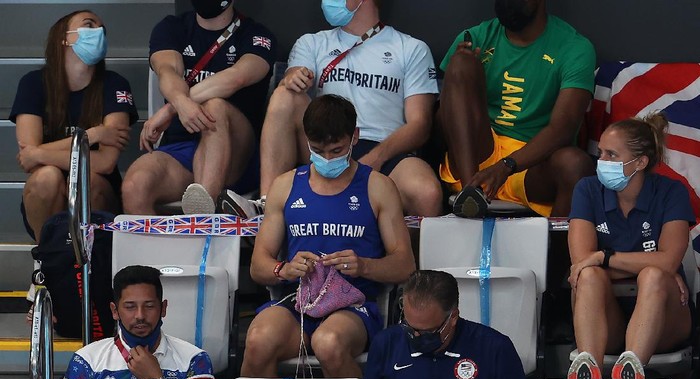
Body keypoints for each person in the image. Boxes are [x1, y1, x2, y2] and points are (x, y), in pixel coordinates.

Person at [240, 95, 415, 378]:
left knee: (328, 343)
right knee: (258, 339)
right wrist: (283, 269)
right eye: (318, 150)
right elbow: (258, 267)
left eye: (337, 150)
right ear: (307, 139)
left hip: (353, 306)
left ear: (354, 137)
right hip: (298, 302)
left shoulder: (378, 187)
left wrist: (365, 265)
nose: (328, 159)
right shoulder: (285, 186)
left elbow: (406, 265)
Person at [222, 0, 442, 219]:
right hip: (325, 143)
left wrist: (376, 158)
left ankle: (405, 254)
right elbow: (296, 74)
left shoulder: (411, 48)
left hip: (385, 147)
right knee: (284, 95)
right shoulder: (312, 43)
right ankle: (267, 207)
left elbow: (420, 124)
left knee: (427, 192)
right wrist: (292, 78)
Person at [437, 0, 595, 218]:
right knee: (461, 63)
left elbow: (563, 128)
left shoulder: (574, 47)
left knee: (575, 164)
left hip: (531, 166)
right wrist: (464, 85)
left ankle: (557, 250)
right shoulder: (475, 37)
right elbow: (442, 122)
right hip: (476, 158)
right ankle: (471, 195)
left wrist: (507, 166)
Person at [566, 113, 695, 379]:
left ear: (640, 162)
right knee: (589, 276)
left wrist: (604, 257)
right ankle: (587, 369)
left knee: (654, 276)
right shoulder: (587, 190)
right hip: (607, 318)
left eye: (611, 155)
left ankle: (632, 371)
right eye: (600, 152)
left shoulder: (672, 192)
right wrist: (648, 262)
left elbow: (668, 262)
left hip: (666, 321)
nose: (601, 161)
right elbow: (581, 264)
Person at [121, 0, 276, 215]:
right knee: (135, 186)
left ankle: (201, 219)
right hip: (182, 148)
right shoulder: (172, 27)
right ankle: (163, 248)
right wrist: (181, 102)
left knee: (215, 107)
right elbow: (167, 71)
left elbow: (236, 78)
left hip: (236, 152)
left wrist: (170, 109)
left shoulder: (256, 34)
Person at [10, 10, 138, 243]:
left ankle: (93, 262)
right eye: (89, 25)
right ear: (64, 38)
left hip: (99, 192)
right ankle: (46, 258)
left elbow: (105, 163)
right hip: (47, 195)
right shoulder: (33, 83)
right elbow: (29, 161)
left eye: (102, 30)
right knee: (46, 178)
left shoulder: (114, 84)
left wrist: (40, 152)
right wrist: (92, 135)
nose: (98, 32)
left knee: (87, 180)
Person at [360, 270, 527, 379]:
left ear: (453, 317)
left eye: (427, 331)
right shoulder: (386, 344)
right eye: (409, 327)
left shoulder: (495, 349)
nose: (416, 336)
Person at [60, 265, 216, 379]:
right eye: (130, 307)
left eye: (149, 306)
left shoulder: (194, 360)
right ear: (115, 311)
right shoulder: (87, 361)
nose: (140, 315)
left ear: (163, 308)